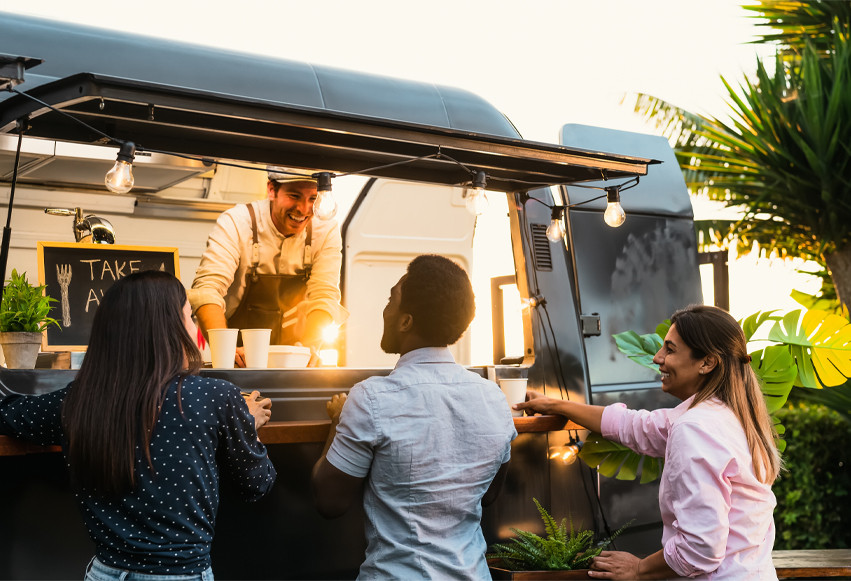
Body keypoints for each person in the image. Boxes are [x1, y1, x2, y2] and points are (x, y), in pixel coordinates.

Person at [0, 270, 277, 580]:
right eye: (190, 317)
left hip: (105, 573)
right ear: (168, 330)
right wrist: (245, 425)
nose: (194, 330)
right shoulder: (216, 396)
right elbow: (256, 484)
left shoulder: (77, 400)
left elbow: (8, 414)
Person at [516, 304, 781, 580]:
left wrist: (639, 568)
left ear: (707, 362)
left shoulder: (695, 428)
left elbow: (701, 548)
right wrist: (556, 404)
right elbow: (634, 426)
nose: (657, 357)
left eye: (670, 349)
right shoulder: (731, 414)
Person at [311, 254, 517, 579]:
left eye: (391, 299)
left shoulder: (372, 398)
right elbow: (489, 495)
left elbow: (329, 502)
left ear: (406, 321)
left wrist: (338, 420)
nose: (385, 309)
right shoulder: (494, 397)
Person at [189, 166, 348, 366]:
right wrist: (225, 351)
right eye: (294, 196)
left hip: (293, 358)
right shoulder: (237, 221)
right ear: (271, 190)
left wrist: (310, 348)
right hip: (236, 356)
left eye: (312, 199)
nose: (303, 209)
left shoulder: (327, 229)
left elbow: (324, 296)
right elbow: (207, 290)